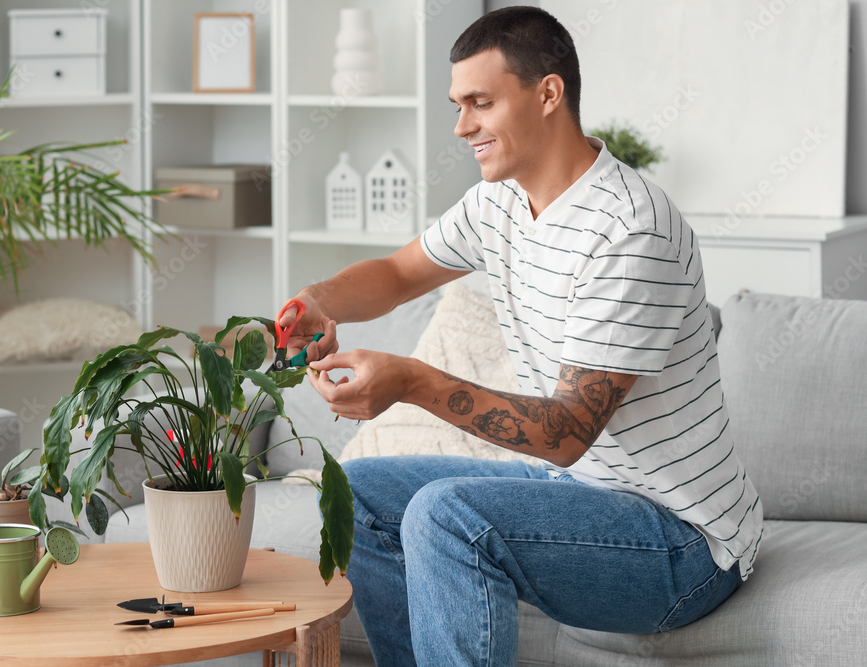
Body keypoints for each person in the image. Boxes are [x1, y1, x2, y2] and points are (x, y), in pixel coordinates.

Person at [279, 6, 763, 666]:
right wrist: (318, 300)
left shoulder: (629, 230)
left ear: (547, 93)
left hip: (681, 542)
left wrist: (412, 382)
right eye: (457, 105)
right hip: (576, 496)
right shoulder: (500, 200)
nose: (461, 126)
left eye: (480, 103)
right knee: (357, 492)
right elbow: (397, 273)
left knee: (446, 514)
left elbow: (566, 432)